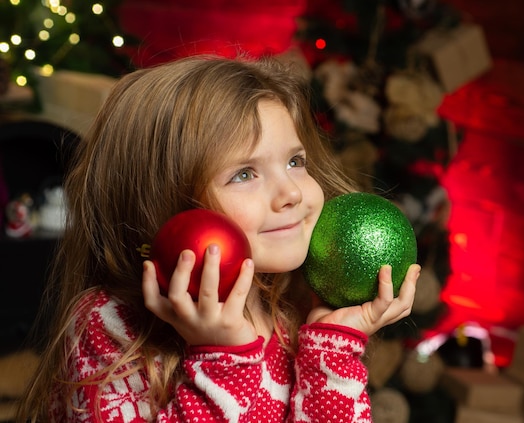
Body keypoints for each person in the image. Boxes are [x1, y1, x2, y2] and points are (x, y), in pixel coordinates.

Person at [17, 55, 421, 422]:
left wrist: (331, 351)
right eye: (244, 174)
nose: (293, 193)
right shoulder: (111, 326)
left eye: (295, 162)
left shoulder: (289, 304)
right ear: (167, 203)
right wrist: (221, 359)